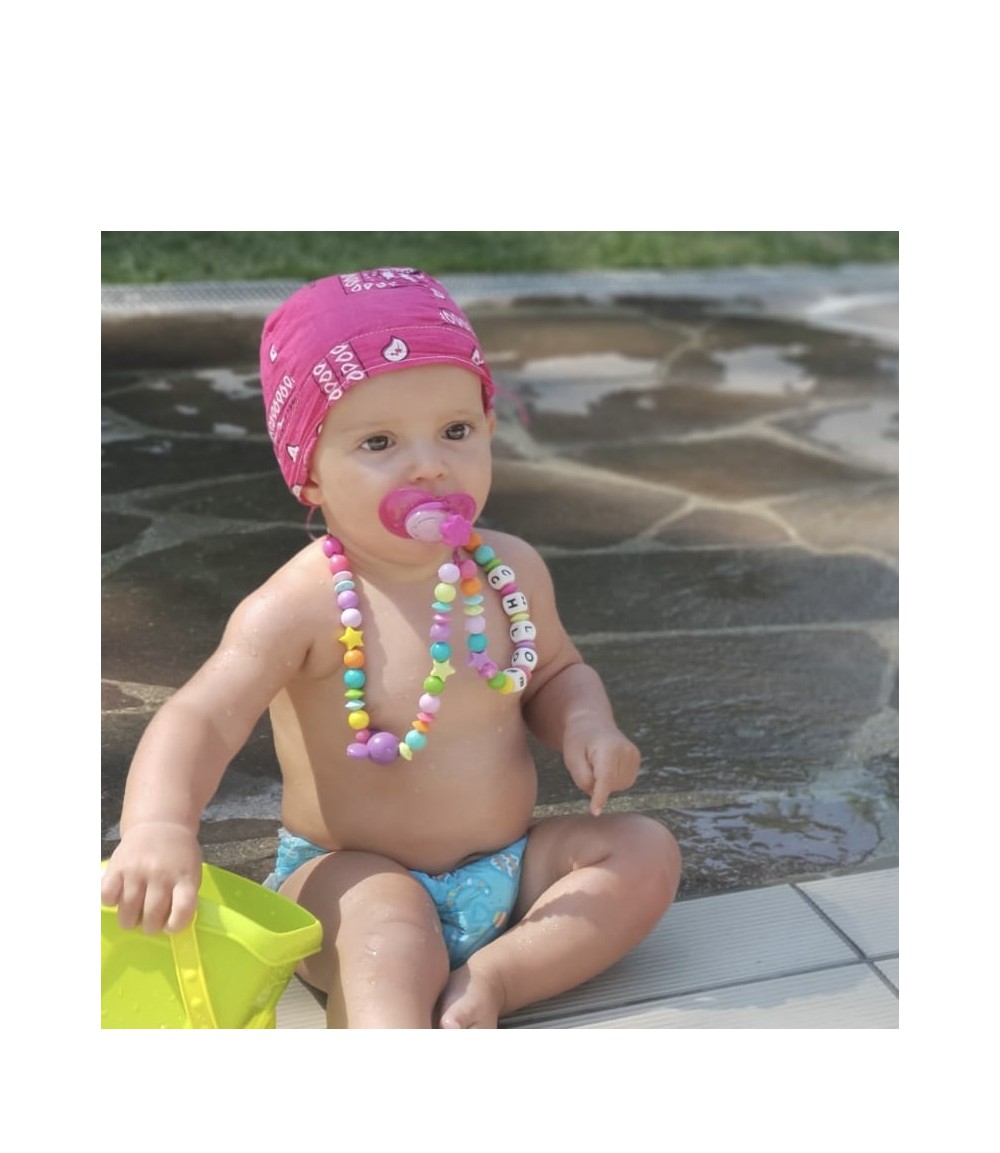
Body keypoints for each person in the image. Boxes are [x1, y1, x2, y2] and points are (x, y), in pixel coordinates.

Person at [101, 267, 681, 1028]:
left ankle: (496, 979)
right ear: (309, 474)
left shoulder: (508, 571)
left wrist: (586, 724)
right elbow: (203, 716)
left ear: (489, 429)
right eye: (379, 441)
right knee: (391, 929)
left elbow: (554, 672)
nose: (429, 464)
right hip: (348, 883)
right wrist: (158, 828)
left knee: (644, 852)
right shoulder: (300, 604)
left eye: (455, 431)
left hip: (507, 867)